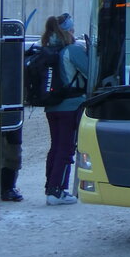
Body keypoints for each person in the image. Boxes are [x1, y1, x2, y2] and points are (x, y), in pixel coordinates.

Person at [42, 13, 88, 206]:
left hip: (51, 106)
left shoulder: (46, 48)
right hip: (71, 105)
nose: (74, 32)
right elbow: (90, 72)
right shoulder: (71, 50)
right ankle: (57, 191)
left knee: (56, 147)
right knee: (66, 148)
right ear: (67, 30)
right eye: (72, 29)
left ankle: (51, 187)